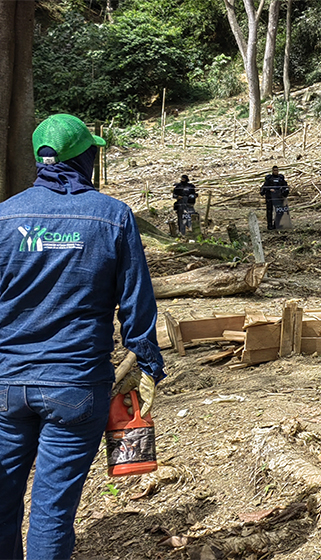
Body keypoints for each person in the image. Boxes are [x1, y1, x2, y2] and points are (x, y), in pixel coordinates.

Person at [0, 114, 165, 559]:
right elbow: (136, 303)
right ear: (85, 157)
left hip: (6, 385)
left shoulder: (4, 217)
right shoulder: (113, 217)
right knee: (52, 512)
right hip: (76, 386)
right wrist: (148, 365)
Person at [260, 165, 290, 230]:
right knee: (269, 212)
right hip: (270, 197)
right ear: (272, 171)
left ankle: (276, 224)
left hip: (278, 198)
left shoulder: (281, 179)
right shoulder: (269, 179)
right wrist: (269, 189)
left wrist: (284, 192)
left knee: (280, 211)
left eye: (277, 170)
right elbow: (264, 188)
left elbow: (285, 186)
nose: (276, 172)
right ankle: (270, 225)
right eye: (274, 170)